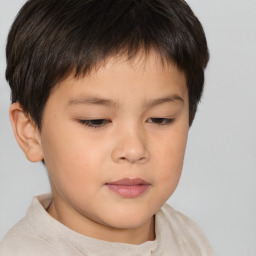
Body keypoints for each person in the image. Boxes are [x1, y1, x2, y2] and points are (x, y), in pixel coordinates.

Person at [0, 0, 213, 255]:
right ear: (31, 132)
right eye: (96, 121)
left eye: (160, 119)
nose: (134, 150)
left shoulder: (187, 236)